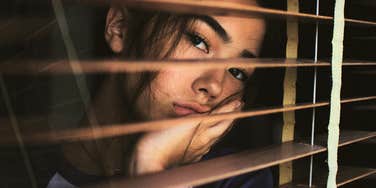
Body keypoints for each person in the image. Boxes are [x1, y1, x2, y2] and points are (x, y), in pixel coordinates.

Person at [48, 0, 274, 187]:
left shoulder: (238, 179)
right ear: (120, 27)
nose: (215, 86)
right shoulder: (24, 157)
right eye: (199, 41)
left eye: (238, 72)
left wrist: (152, 164)